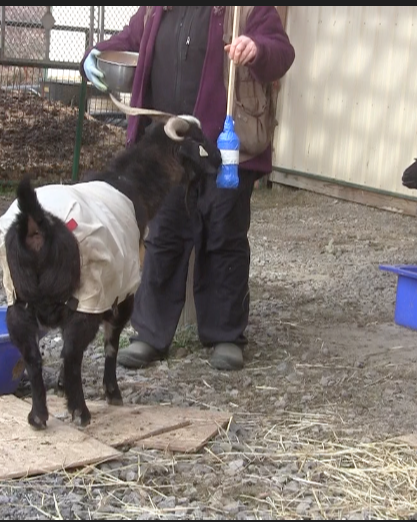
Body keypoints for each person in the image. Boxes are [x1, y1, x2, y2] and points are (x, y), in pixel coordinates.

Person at [79, 6, 295, 371]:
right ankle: (150, 335)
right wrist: (94, 56)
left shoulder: (247, 9)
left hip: (226, 146)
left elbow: (281, 52)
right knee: (163, 236)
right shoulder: (156, 10)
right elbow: (126, 42)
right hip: (167, 146)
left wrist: (257, 49)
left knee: (223, 236)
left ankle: (225, 335)